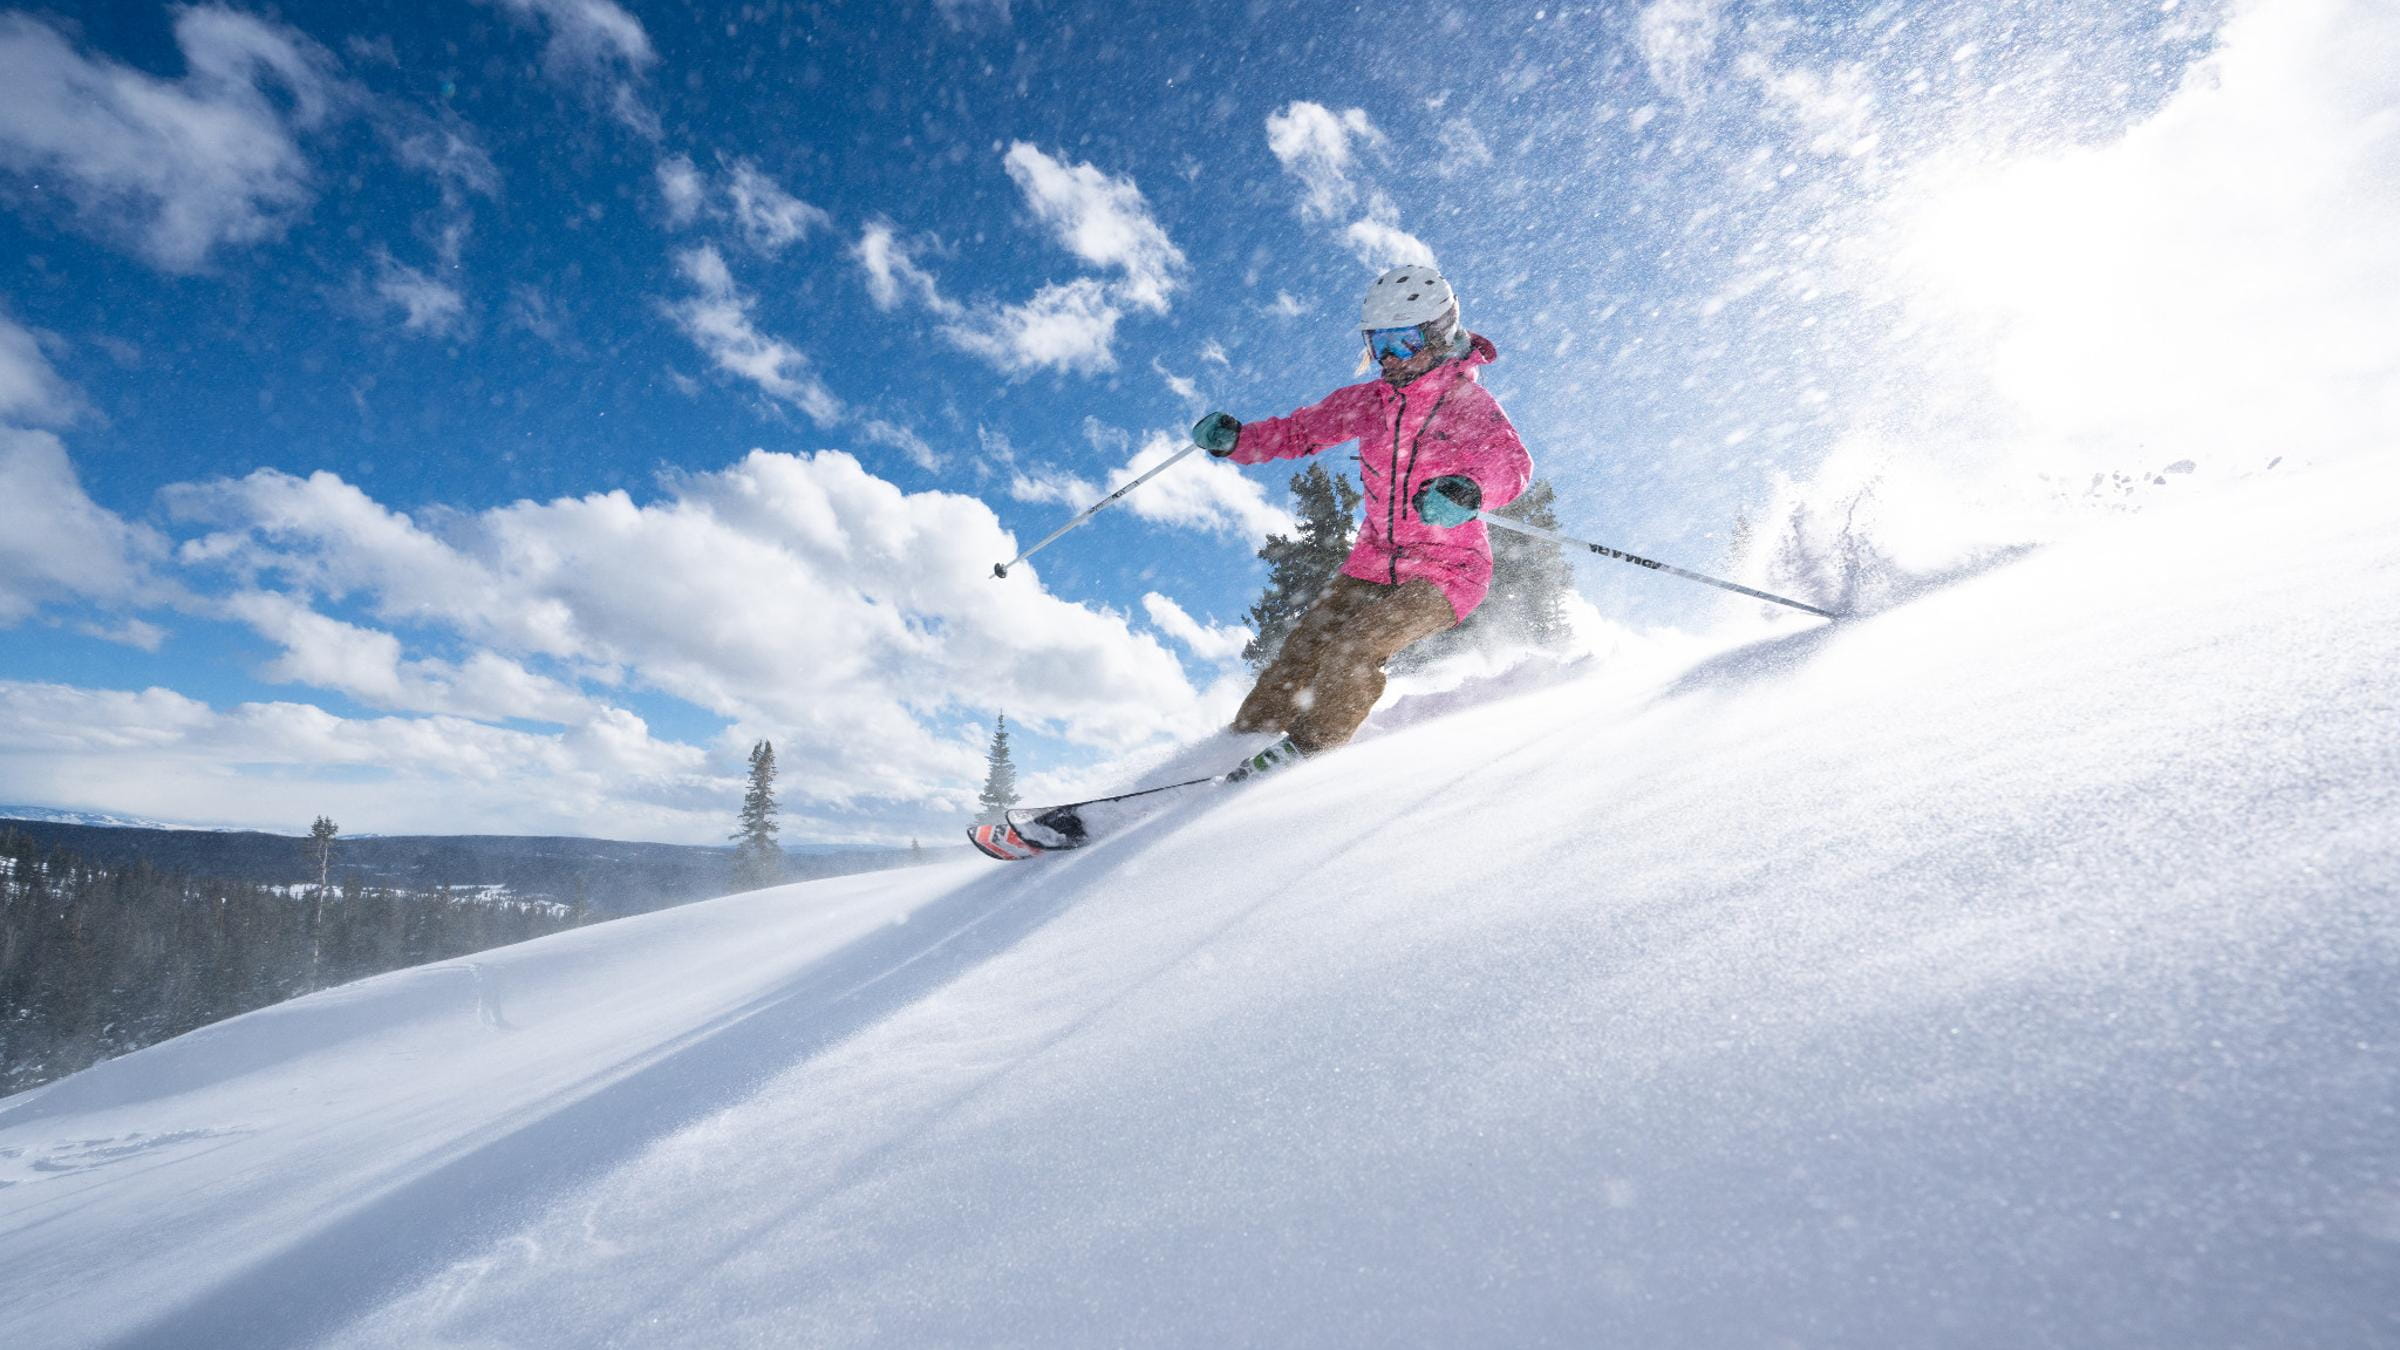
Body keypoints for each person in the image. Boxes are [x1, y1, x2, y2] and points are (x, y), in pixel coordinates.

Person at [1194, 265, 1532, 769]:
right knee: (1299, 657)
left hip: (1447, 571)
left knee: (1352, 649)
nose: (1391, 359)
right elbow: (1297, 432)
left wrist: (1468, 491)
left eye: (1405, 341)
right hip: (1371, 565)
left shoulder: (1466, 404)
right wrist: (1238, 441)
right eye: (1380, 344)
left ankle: (1309, 759)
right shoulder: (1368, 404)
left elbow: (1512, 466)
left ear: (1440, 334)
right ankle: (1236, 747)